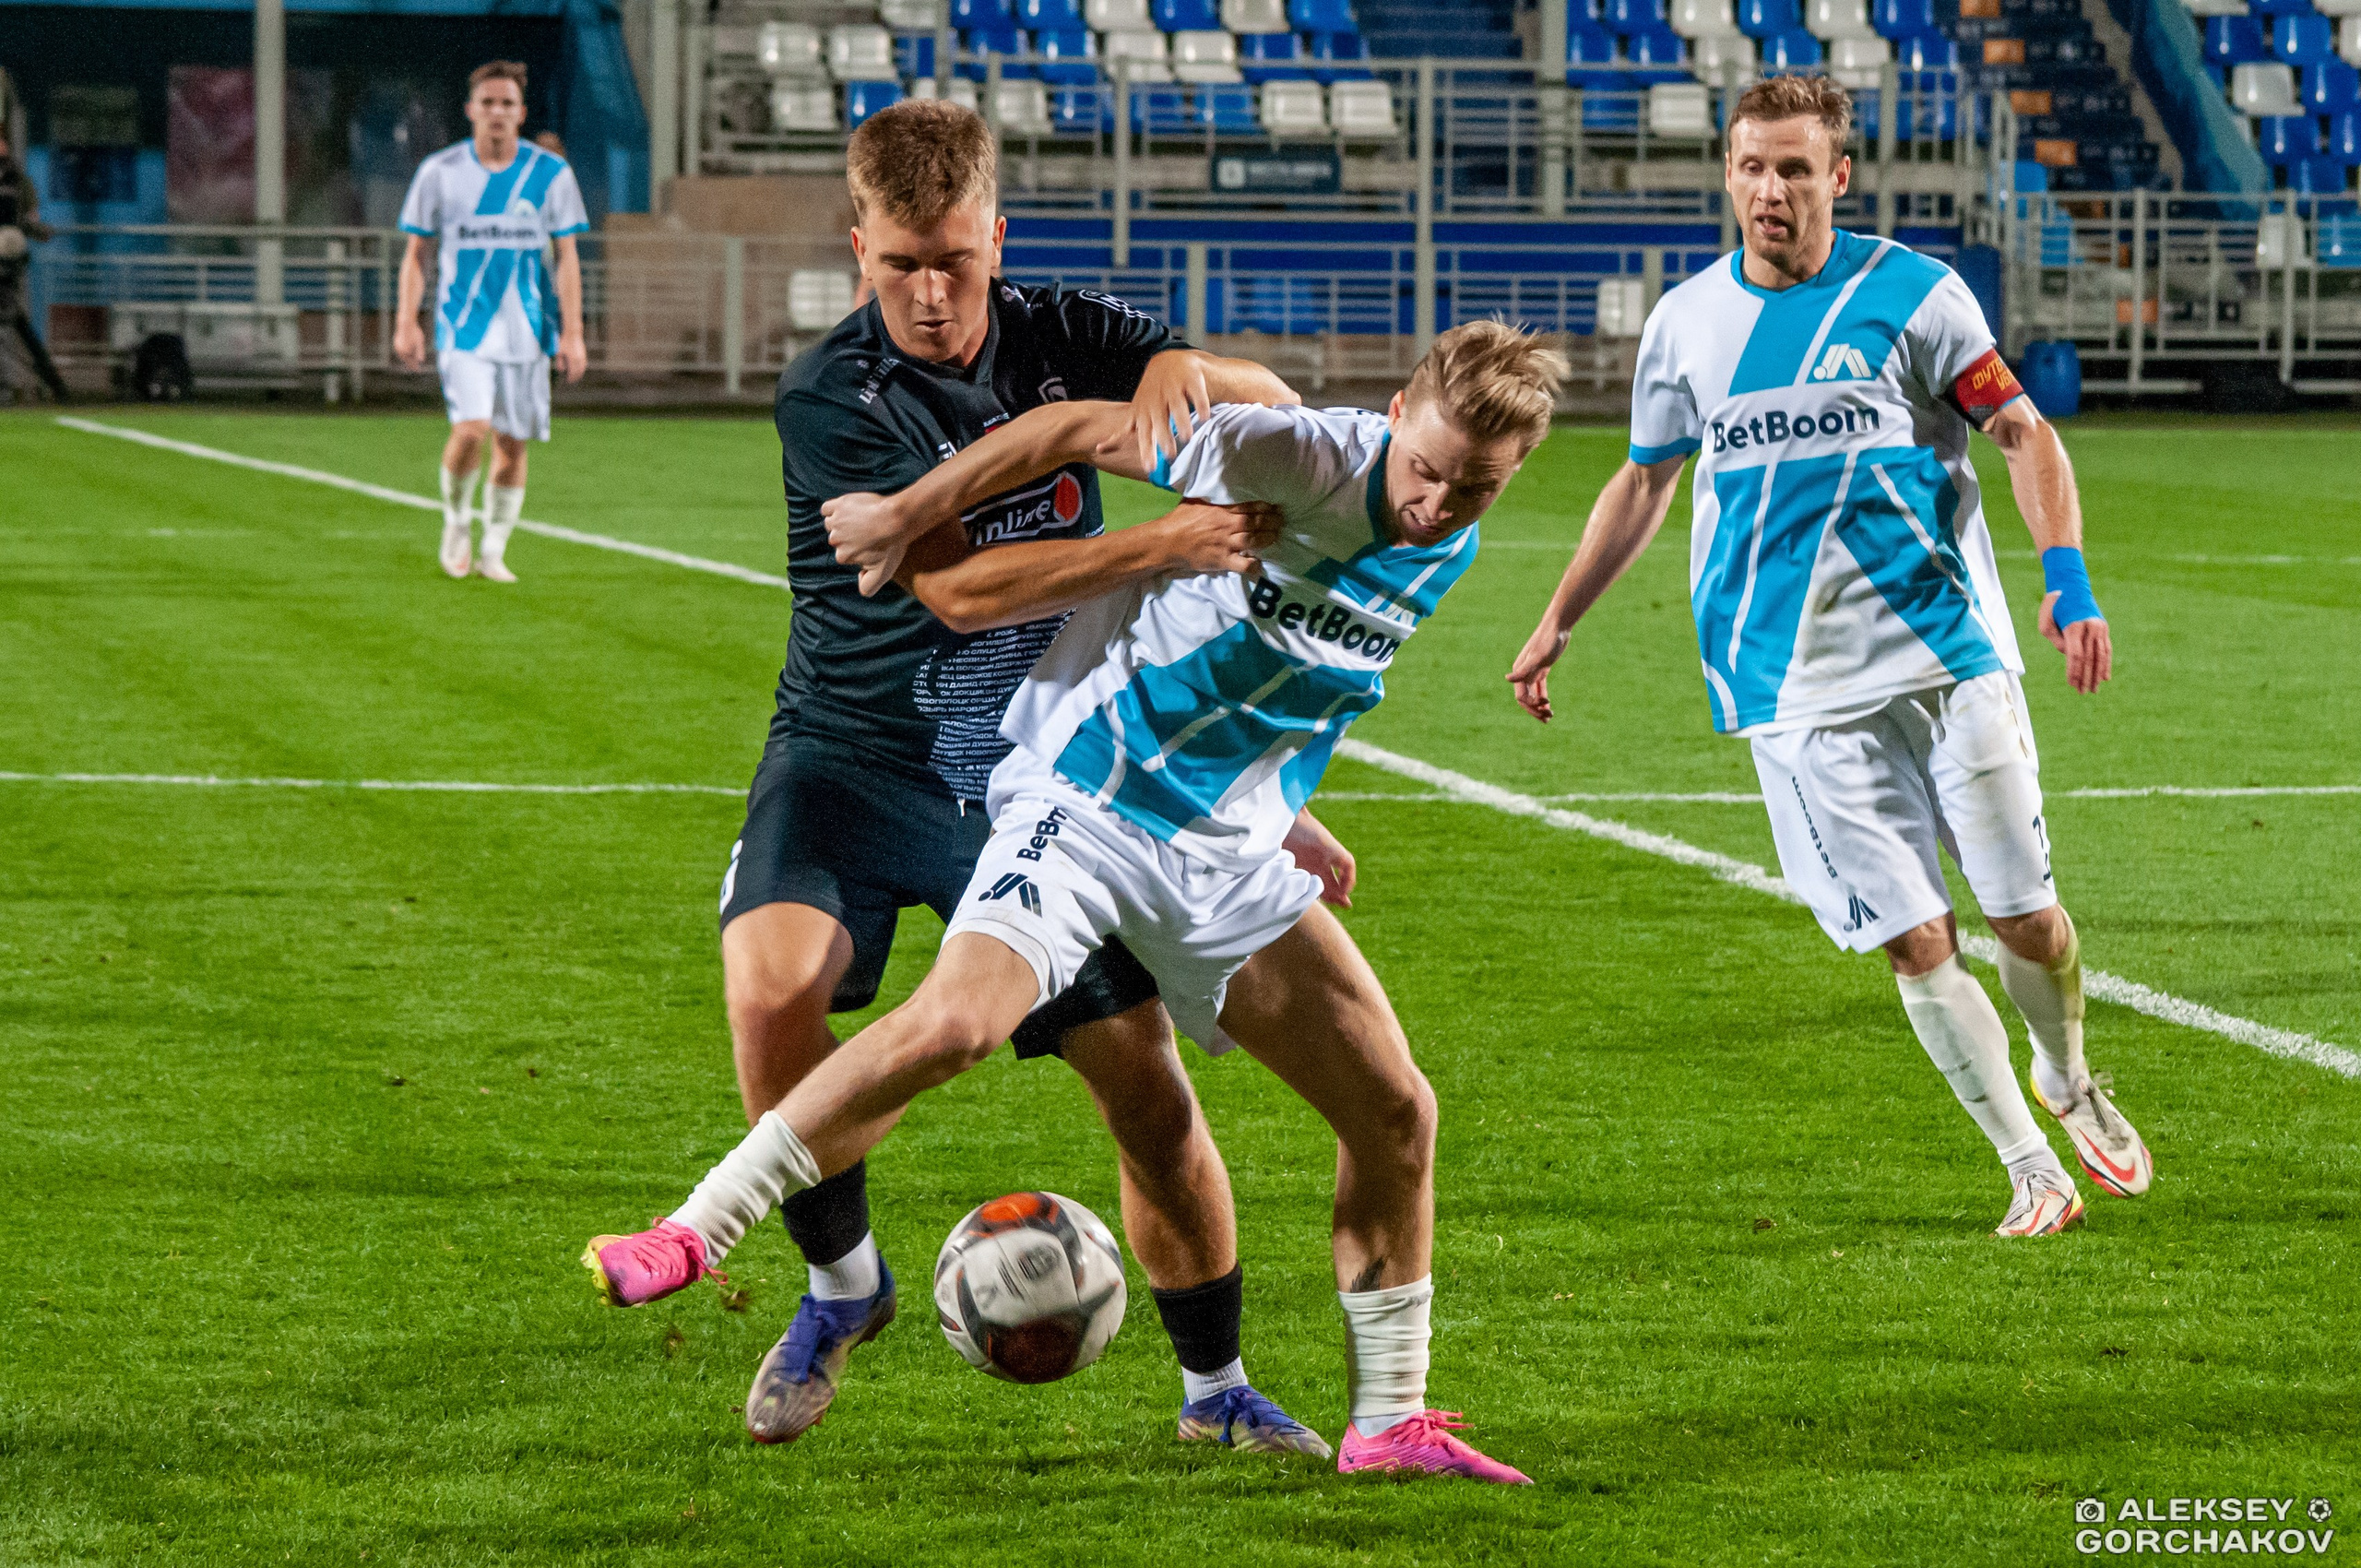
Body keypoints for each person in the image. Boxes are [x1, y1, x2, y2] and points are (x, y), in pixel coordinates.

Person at [592, 318, 1569, 1482]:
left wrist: (1287, 810)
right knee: (958, 1022)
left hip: (1223, 851)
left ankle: (1387, 1423)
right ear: (1396, 415)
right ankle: (693, 1228)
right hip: (1090, 797)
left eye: (1475, 487)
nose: (1436, 504)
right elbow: (1065, 428)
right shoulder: (1292, 454)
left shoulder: (1446, 539)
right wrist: (904, 516)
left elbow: (1285, 672)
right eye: (1425, 469)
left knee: (1396, 1111)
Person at [585, 100, 1335, 1456]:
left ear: (997, 234)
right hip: (851, 750)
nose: (930, 295)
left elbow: (1241, 395)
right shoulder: (833, 393)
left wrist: (1183, 366)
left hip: (1041, 770)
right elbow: (964, 592)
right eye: (899, 267)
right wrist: (1164, 542)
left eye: (954, 262)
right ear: (856, 245)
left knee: (1146, 1085)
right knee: (770, 990)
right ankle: (842, 1286)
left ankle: (1215, 1390)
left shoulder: (1063, 331)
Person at [1506, 73, 2153, 1238]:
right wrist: (1559, 616)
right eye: (1752, 167)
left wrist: (2067, 582)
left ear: (1837, 176)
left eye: (1794, 168)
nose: (1771, 190)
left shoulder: (1914, 292)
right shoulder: (1683, 324)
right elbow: (1644, 480)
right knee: (1914, 937)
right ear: (1727, 173)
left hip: (1947, 655)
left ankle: (2066, 1074)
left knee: (2026, 918)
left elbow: (2020, 430)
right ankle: (2027, 1165)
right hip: (1791, 687)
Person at [393, 62, 588, 583]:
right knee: (471, 430)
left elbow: (568, 257)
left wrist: (573, 333)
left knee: (511, 443)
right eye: (488, 103)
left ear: (521, 113)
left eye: (507, 104)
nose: (497, 112)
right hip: (464, 327)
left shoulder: (551, 174)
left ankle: (495, 548)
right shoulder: (440, 172)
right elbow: (416, 253)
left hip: (528, 331)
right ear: (470, 110)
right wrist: (406, 321)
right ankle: (457, 520)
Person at [0, 130, 68, 405]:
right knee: (15, 322)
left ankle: (12, 387)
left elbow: (29, 219)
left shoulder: (19, 181)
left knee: (9, 321)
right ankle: (52, 381)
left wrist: (39, 231)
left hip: (8, 262)